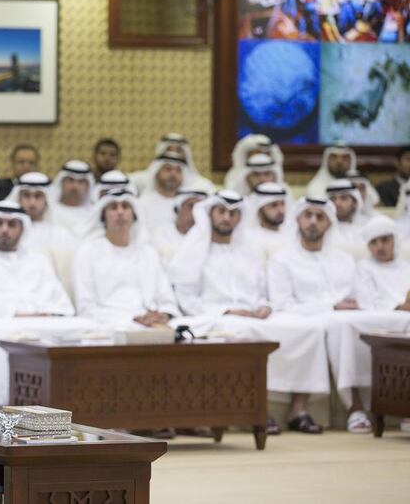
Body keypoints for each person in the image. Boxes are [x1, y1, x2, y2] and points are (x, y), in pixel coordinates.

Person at [170, 191, 329, 434]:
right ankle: (257, 411)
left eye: (233, 213)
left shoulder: (248, 251)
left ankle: (299, 409)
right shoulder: (193, 249)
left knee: (309, 330)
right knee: (243, 333)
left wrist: (264, 305)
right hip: (213, 317)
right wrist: (227, 310)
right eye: (221, 212)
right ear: (210, 214)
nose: (226, 218)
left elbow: (262, 291)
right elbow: (186, 298)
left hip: (252, 316)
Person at [267, 197, 410, 433]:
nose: (313, 222)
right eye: (308, 216)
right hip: (310, 318)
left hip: (350, 316)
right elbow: (282, 304)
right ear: (298, 220)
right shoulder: (281, 260)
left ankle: (400, 406)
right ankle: (354, 408)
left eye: (320, 217)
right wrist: (331, 308)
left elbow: (363, 300)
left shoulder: (344, 260)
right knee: (341, 326)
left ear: (329, 224)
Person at [71, 188, 179, 328]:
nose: (120, 212)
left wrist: (163, 315)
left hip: (151, 322)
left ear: (134, 215)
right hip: (109, 323)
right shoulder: (87, 253)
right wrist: (132, 320)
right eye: (113, 208)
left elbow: (167, 299)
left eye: (126, 207)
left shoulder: (148, 253)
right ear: (103, 216)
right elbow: (86, 307)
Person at [0, 201, 74, 321]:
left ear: (22, 229)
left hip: (44, 326)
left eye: (12, 224)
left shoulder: (38, 261)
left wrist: (46, 315)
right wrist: (16, 315)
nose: (4, 229)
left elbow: (62, 304)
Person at [7, 172, 76, 294]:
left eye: (38, 196)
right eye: (26, 196)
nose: (32, 203)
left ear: (47, 199)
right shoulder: (8, 234)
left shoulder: (62, 235)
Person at [130, 133, 215, 194]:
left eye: (178, 150)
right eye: (169, 149)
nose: (173, 154)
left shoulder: (202, 185)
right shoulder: (142, 180)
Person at [150, 189, 208, 260]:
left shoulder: (206, 236)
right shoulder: (161, 234)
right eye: (191, 206)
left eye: (200, 208)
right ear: (179, 209)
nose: (195, 213)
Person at [137, 151, 186, 232]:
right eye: (168, 169)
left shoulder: (187, 205)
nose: (173, 174)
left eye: (178, 170)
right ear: (156, 173)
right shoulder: (143, 203)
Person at [245, 182, 290, 259]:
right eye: (273, 205)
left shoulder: (292, 235)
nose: (280, 210)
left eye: (282, 204)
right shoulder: (249, 238)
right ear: (259, 209)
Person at [326, 179, 368, 257]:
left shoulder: (367, 226)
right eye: (333, 199)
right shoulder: (323, 231)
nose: (337, 203)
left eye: (343, 198)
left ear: (355, 203)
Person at [50, 160, 94, 231]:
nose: (75, 186)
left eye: (81, 182)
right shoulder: (50, 211)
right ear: (61, 182)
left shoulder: (94, 214)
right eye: (70, 180)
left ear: (87, 186)